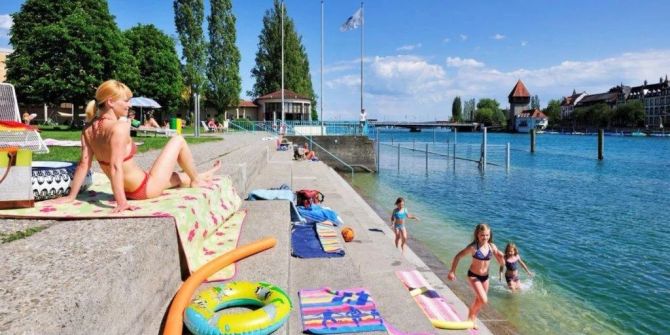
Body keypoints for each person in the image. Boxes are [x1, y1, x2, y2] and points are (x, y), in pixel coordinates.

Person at [45, 80, 221, 213]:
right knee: (178, 140)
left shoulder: (88, 129)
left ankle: (202, 175)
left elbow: (84, 165)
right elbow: (115, 166)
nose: (129, 105)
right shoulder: (120, 127)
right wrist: (122, 202)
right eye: (126, 101)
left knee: (175, 178)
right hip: (144, 187)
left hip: (132, 189)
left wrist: (71, 197)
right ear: (111, 102)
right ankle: (197, 179)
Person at [447, 223, 504, 327]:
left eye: (487, 235)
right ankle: (471, 315)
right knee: (484, 299)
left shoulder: (492, 247)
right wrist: (452, 271)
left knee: (480, 300)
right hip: (474, 276)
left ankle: (472, 318)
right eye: (482, 235)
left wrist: (502, 260)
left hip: (485, 278)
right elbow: (458, 256)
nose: (485, 237)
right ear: (477, 234)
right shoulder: (473, 247)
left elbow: (500, 260)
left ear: (490, 235)